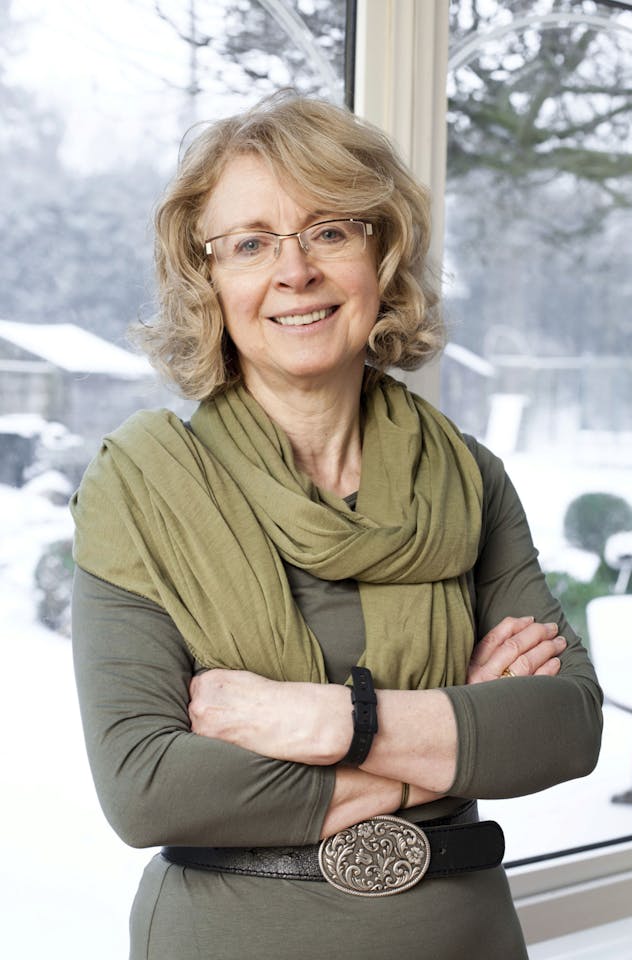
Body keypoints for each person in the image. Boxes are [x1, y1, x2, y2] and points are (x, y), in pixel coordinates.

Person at [70, 93, 602, 960]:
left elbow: (565, 725)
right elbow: (147, 786)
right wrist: (452, 730)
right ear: (209, 282)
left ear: (381, 256)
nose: (294, 272)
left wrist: (333, 722)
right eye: (249, 244)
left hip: (466, 939)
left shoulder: (466, 479)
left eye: (329, 231)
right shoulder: (142, 488)